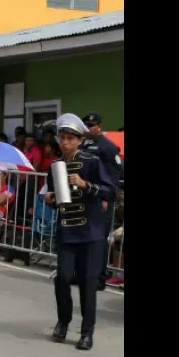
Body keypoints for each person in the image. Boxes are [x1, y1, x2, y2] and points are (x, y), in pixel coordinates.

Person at [44, 113, 115, 351]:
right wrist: (50, 199)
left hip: (91, 232)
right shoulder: (55, 165)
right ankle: (63, 321)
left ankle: (87, 332)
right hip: (67, 231)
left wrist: (86, 185)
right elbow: (53, 195)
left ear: (79, 140)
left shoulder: (91, 161)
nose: (64, 142)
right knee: (62, 277)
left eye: (69, 138)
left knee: (88, 282)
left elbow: (110, 191)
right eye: (61, 138)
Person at [81, 111, 122, 291]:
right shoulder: (83, 144)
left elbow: (114, 174)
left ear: (99, 127)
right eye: (86, 125)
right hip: (86, 195)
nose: (89, 128)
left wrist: (105, 196)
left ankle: (99, 277)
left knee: (99, 237)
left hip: (101, 197)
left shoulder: (107, 147)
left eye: (92, 125)